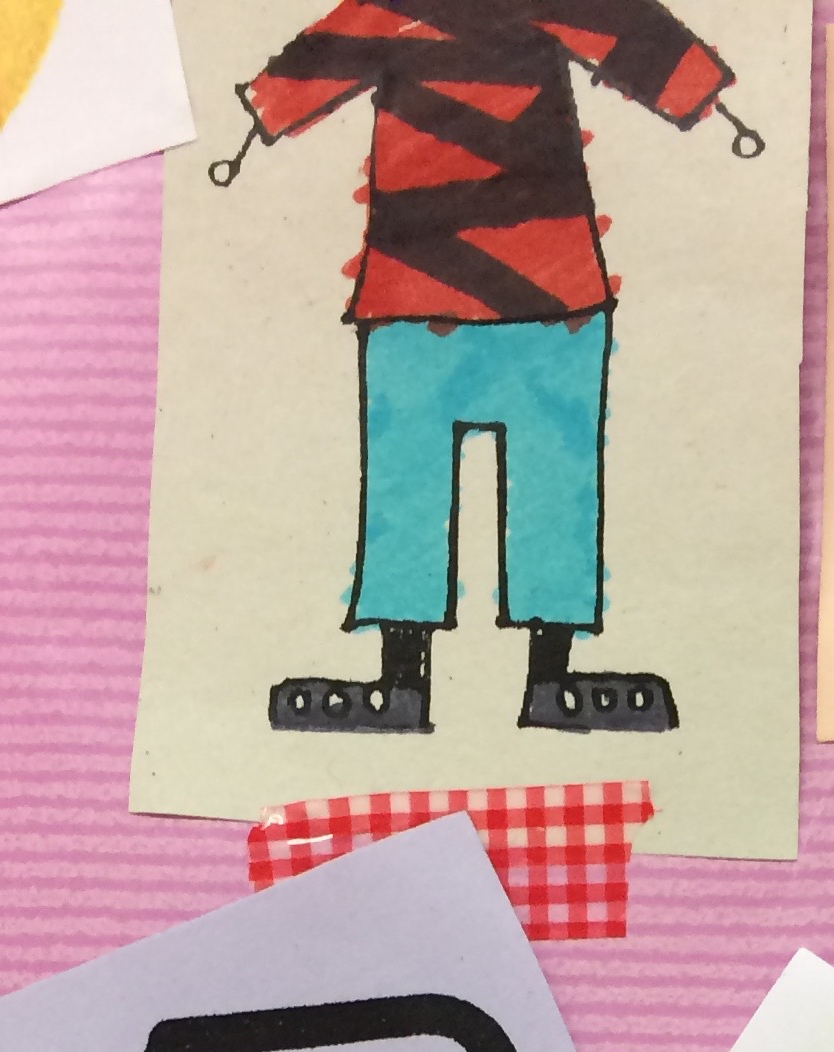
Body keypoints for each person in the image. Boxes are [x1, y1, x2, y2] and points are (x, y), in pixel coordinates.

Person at [223, 0, 750, 739]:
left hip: (444, 296)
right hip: (533, 294)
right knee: (539, 478)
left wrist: (263, 114)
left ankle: (421, 682)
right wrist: (703, 95)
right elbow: (632, 34)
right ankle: (530, 678)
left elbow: (309, 70)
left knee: (431, 481)